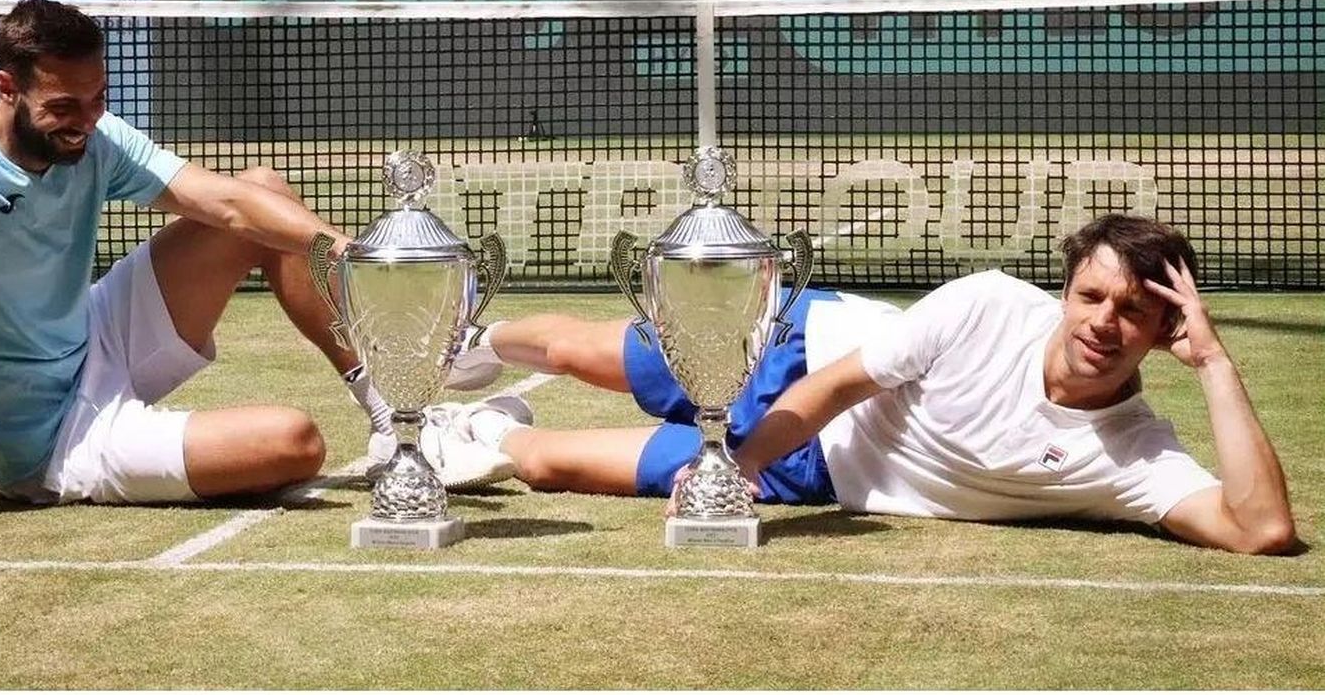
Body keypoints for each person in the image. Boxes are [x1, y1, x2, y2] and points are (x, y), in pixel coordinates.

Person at [0, 0, 437, 551]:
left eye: (98, 101)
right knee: (294, 441)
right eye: (63, 106)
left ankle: (392, 420)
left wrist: (357, 250)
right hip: (52, 440)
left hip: (97, 333)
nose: (85, 122)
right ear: (6, 87)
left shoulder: (95, 136)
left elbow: (228, 205)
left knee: (261, 192)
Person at [424, 215, 1297, 554]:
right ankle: (479, 343)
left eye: (1133, 311)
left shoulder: (1137, 458)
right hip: (806, 353)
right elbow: (840, 385)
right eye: (1090, 295)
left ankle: (483, 428)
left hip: (828, 473)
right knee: (584, 350)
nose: (1104, 322)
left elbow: (1260, 528)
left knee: (547, 467)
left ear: (1164, 331)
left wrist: (1218, 364)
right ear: (1064, 292)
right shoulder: (989, 304)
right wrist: (745, 459)